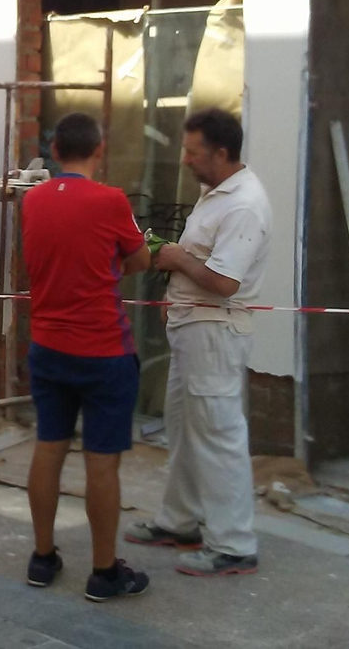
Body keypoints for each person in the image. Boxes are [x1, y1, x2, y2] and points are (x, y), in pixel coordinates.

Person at [125, 108, 272, 577]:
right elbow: (206, 264)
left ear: (222, 153)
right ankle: (180, 520)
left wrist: (173, 258)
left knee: (218, 433)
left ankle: (232, 544)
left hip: (215, 331)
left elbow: (225, 281)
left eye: (193, 152)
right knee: (184, 425)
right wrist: (180, 281)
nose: (185, 160)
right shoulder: (217, 195)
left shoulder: (244, 203)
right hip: (193, 327)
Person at [20, 112, 154, 601]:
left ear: (54, 152)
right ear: (100, 150)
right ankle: (103, 571)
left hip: (48, 345)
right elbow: (138, 260)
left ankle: (42, 557)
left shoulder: (32, 201)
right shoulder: (112, 201)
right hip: (103, 351)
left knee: (48, 447)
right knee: (102, 463)